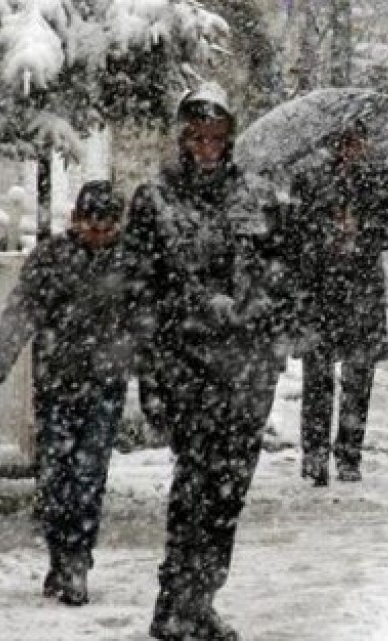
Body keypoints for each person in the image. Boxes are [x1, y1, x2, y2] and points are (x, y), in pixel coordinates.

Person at [123, 82, 283, 641]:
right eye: (197, 136)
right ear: (182, 138)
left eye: (216, 136)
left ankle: (202, 597)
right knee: (195, 485)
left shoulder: (257, 197)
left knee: (229, 493)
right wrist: (153, 370)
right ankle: (175, 601)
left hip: (246, 369)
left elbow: (280, 271)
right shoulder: (156, 200)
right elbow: (140, 291)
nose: (207, 146)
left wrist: (260, 303)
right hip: (186, 366)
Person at [0, 180, 132, 607]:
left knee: (89, 476)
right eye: (92, 223)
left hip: (105, 384)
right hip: (58, 383)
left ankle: (77, 558)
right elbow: (22, 311)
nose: (99, 232)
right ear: (77, 220)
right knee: (56, 476)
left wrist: (153, 379)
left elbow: (147, 324)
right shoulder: (51, 258)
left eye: (108, 224)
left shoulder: (130, 262)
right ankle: (60, 553)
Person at [281, 121, 388, 486]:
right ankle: (316, 455)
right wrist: (328, 233)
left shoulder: (380, 182)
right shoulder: (310, 181)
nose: (352, 149)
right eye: (346, 143)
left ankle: (348, 454)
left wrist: (364, 232)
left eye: (358, 142)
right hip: (322, 290)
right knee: (318, 378)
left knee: (358, 378)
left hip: (360, 290)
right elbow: (296, 235)